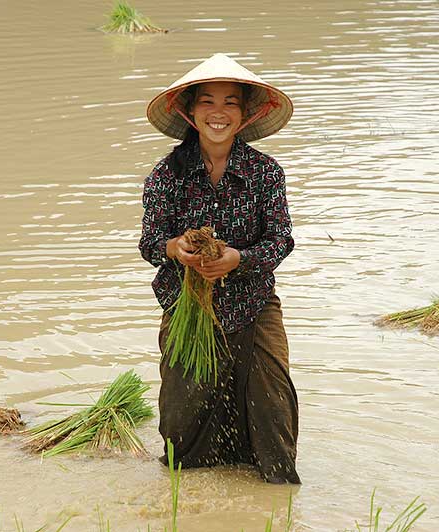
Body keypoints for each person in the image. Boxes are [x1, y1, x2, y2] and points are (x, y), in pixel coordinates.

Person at [138, 53, 300, 483]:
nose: (218, 113)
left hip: (253, 303)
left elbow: (281, 239)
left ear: (245, 114)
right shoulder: (166, 175)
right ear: (190, 112)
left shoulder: (266, 173)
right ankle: (189, 500)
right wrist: (177, 249)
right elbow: (150, 243)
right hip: (186, 304)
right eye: (207, 101)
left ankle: (273, 497)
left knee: (271, 406)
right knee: (181, 423)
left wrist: (238, 259)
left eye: (230, 102)